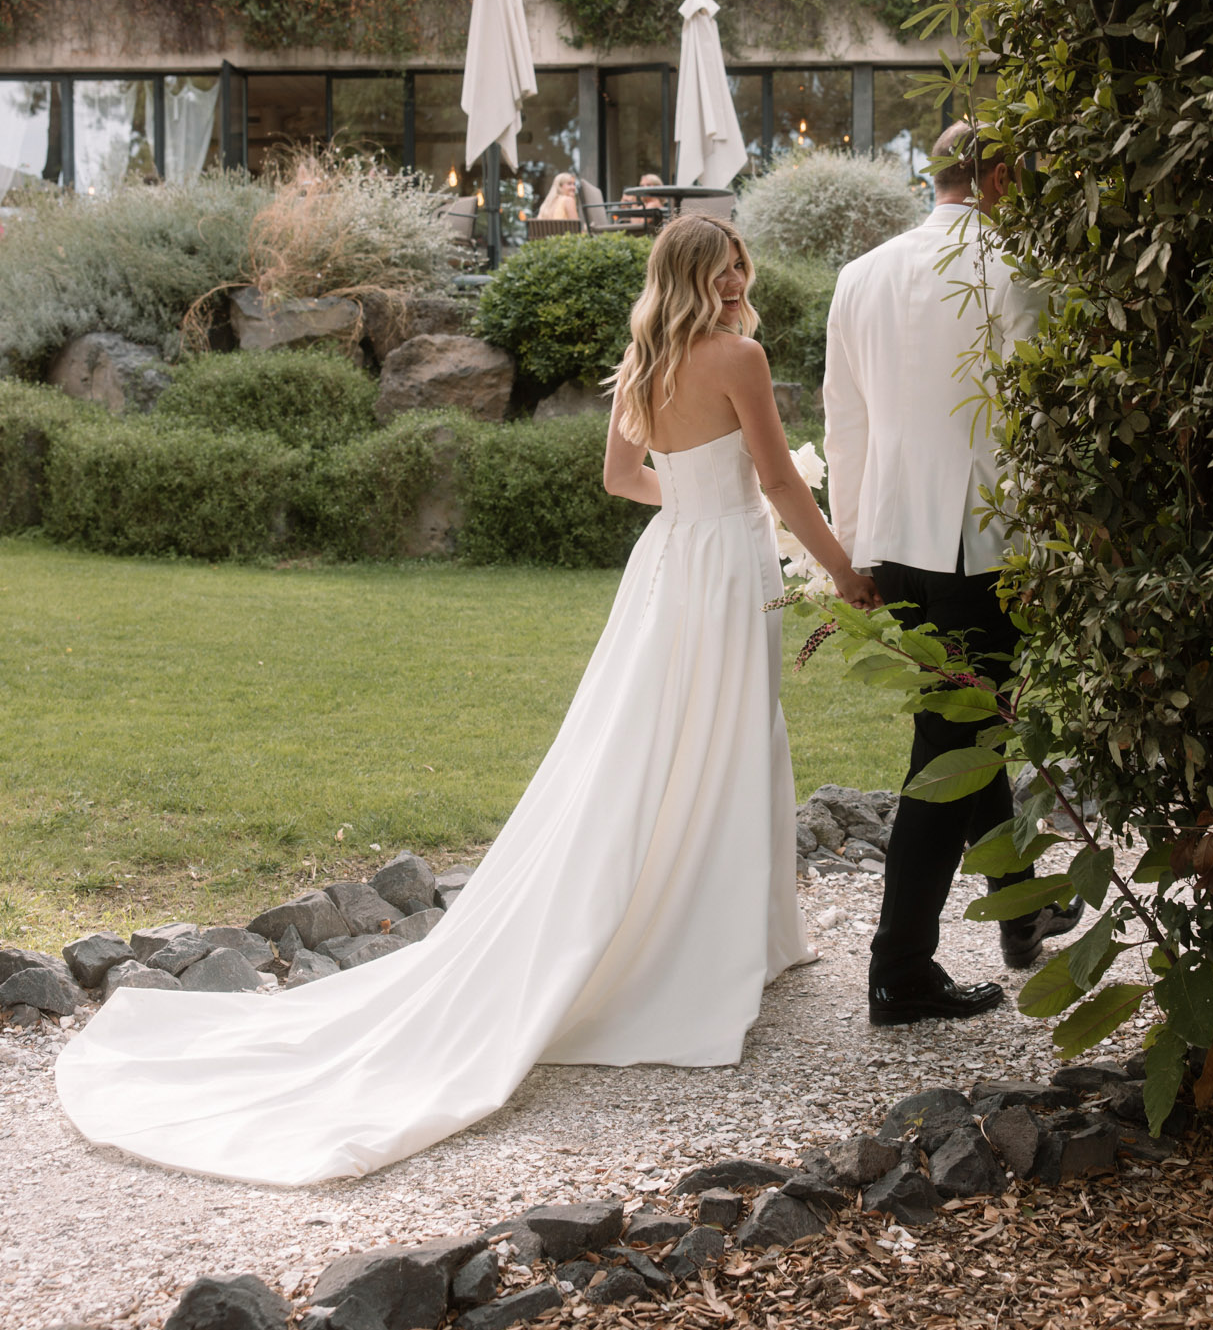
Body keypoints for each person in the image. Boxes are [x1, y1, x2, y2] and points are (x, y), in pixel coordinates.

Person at [55, 217, 877, 1187]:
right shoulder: (739, 354)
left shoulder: (645, 352)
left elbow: (624, 477)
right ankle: (710, 951)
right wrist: (843, 569)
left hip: (674, 562)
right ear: (705, 277)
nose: (742, 277)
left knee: (669, 738)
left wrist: (699, 504)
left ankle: (744, 935)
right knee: (722, 736)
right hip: (725, 563)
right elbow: (779, 476)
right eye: (729, 267)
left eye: (742, 264)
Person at [823, 121, 1081, 1027]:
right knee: (949, 750)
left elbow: (843, 425)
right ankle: (899, 969)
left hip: (893, 543)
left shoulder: (860, 275)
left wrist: (854, 554)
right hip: (985, 541)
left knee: (968, 735)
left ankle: (1020, 911)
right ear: (1003, 175)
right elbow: (1037, 415)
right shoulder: (1018, 264)